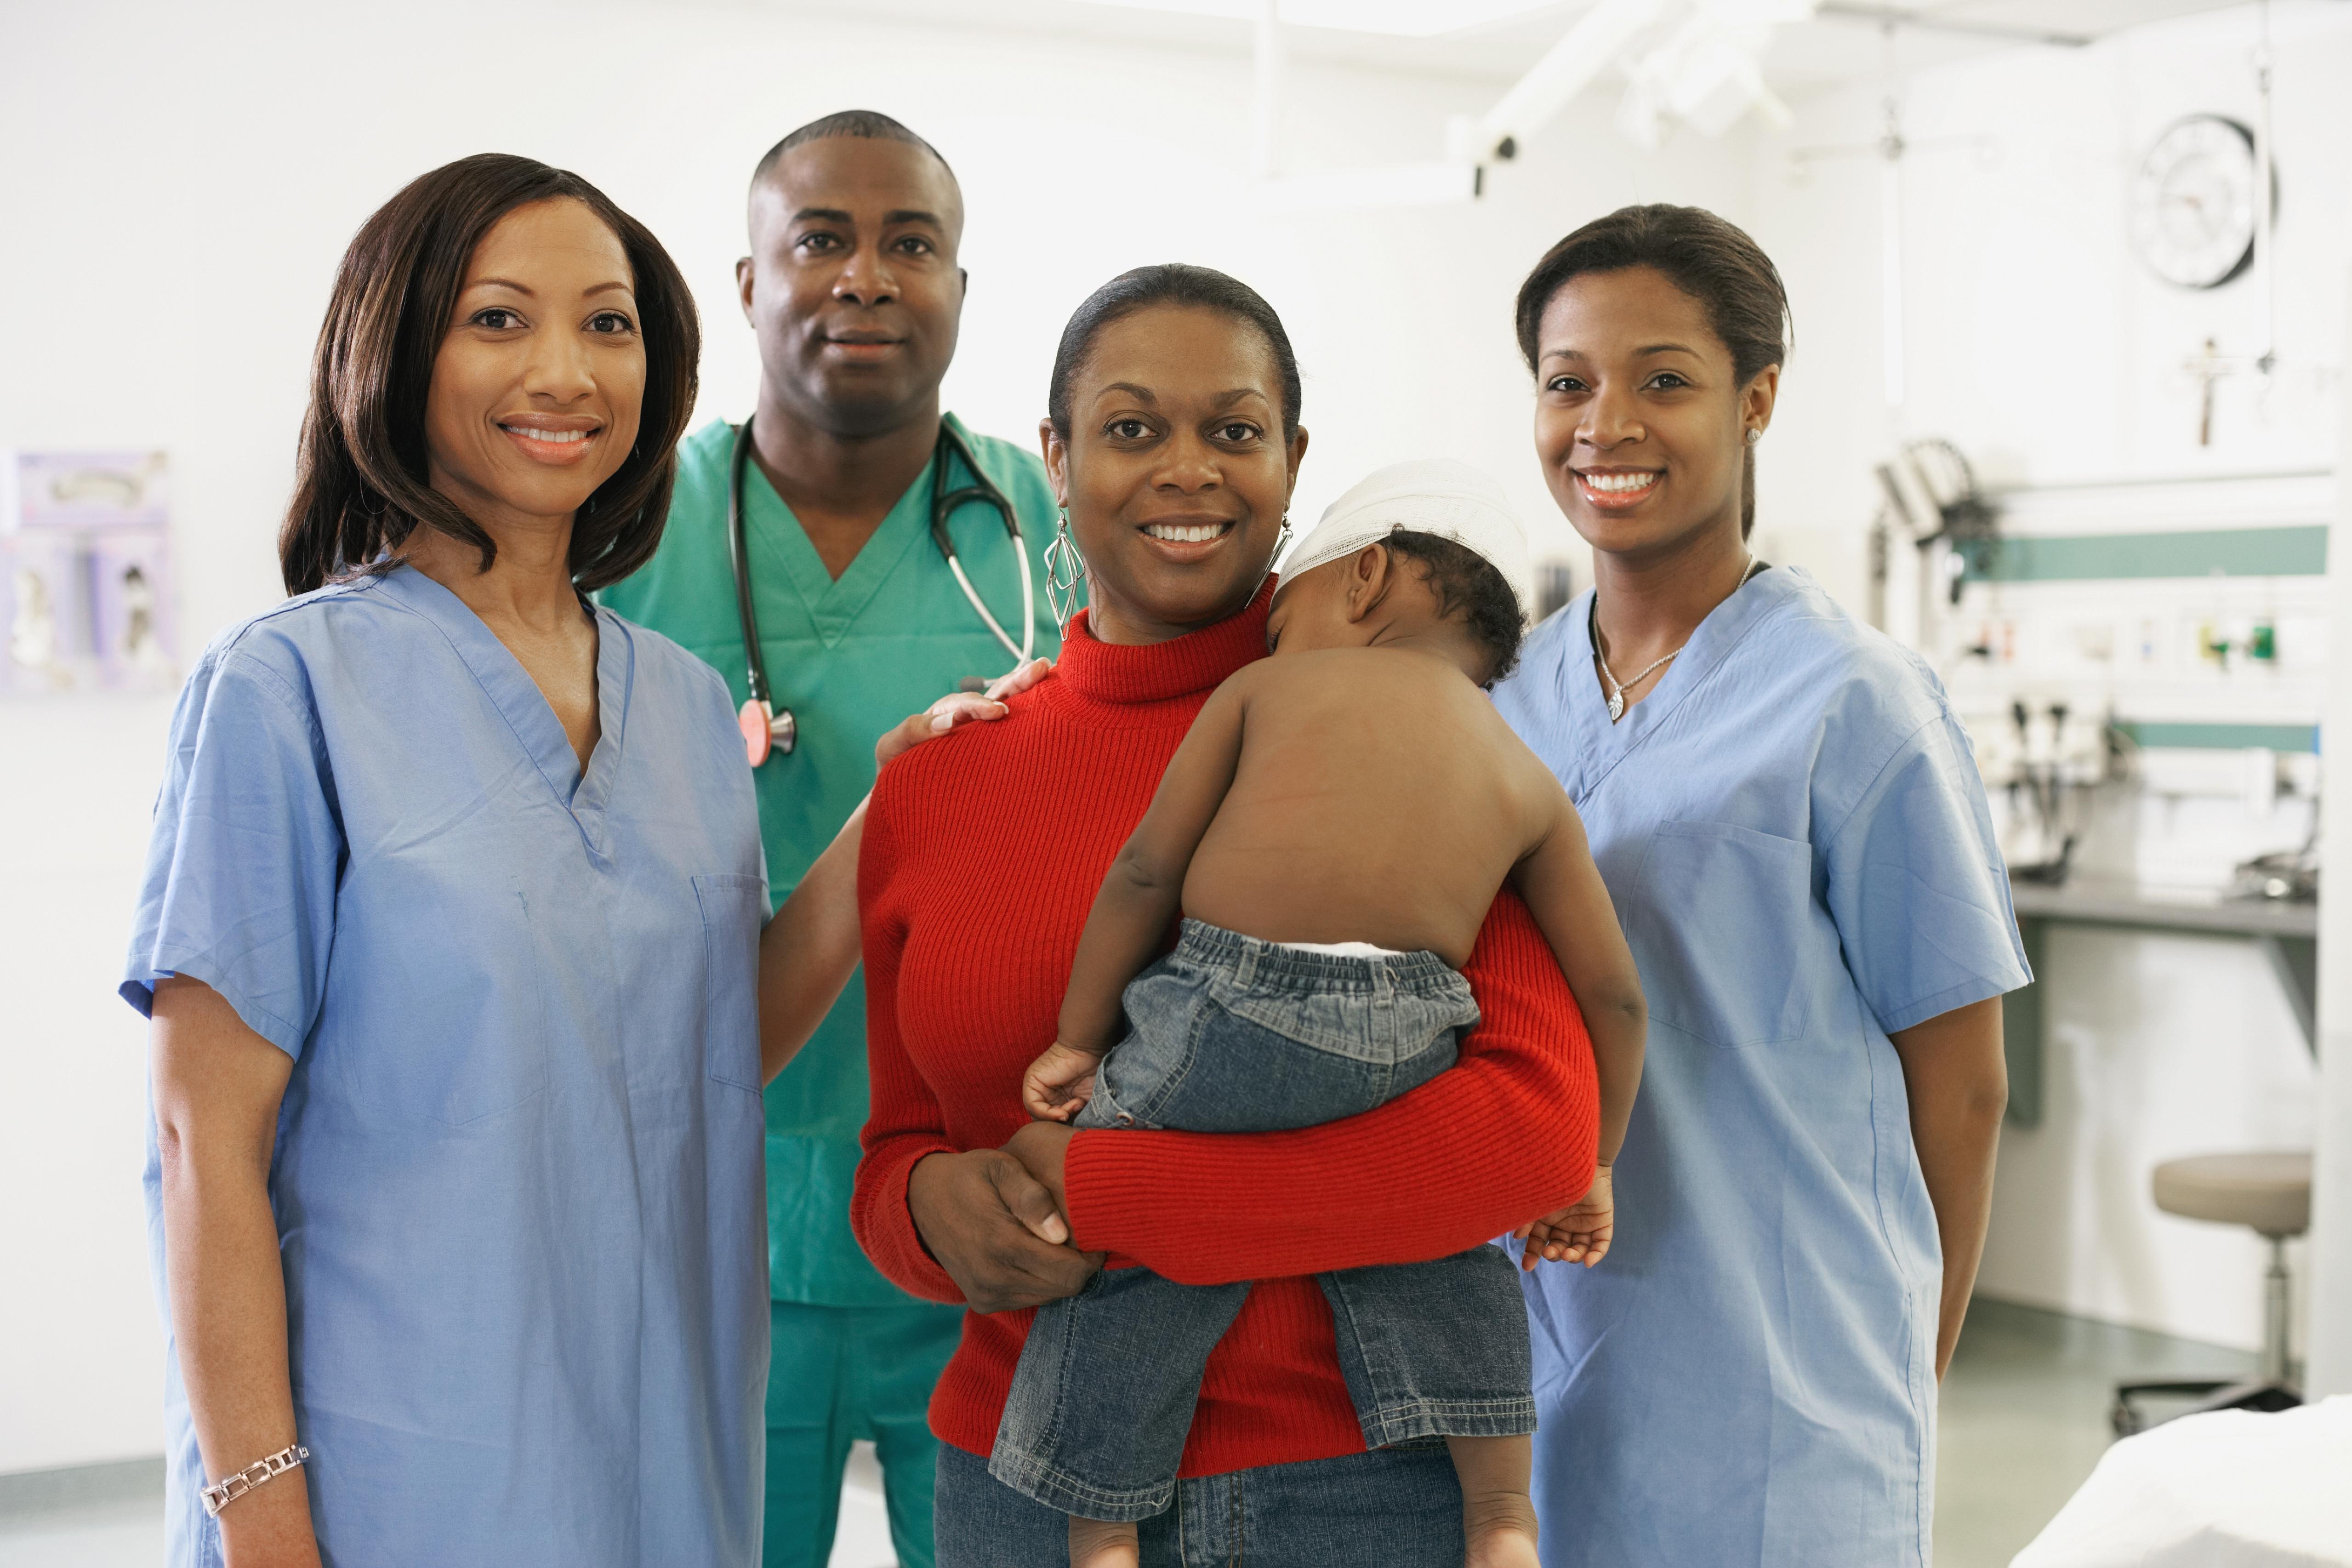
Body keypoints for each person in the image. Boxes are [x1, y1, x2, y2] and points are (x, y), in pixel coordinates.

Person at [121, 153, 905, 1568]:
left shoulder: (673, 701)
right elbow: (201, 1143)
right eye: (499, 319)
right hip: (393, 1472)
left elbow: (713, 1041)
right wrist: (264, 1520)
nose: (563, 368)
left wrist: (893, 807)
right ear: (396, 345)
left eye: (607, 323)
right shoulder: (287, 692)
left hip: (661, 1455)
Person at [851, 264, 1600, 1568]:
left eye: (1235, 430)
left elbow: (1533, 1135)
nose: (1185, 469)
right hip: (1016, 1483)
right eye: (1131, 427)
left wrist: (1112, 1186)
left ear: (1291, 461)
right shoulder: (938, 775)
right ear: (1056, 457)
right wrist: (927, 1211)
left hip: (1353, 1486)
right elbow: (893, 1145)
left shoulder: (1399, 741)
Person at [1489, 204, 2029, 1568]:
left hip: (1786, 1392)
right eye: (1567, 383)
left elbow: (1961, 1084)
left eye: (1661, 379)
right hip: (1533, 1378)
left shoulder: (1854, 701)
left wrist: (1905, 1358)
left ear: (1755, 400)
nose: (1603, 423)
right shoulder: (1501, 695)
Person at [1004, 459, 1650, 1568]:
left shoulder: (1263, 691)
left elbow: (1147, 873)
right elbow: (1614, 993)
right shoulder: (1521, 770)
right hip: (1406, 1032)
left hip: (1228, 1003)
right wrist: (1594, 1162)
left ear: (1364, 581)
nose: (1268, 640)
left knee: (1128, 1236)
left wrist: (1078, 1037)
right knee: (1443, 1240)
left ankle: (1103, 1521)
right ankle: (1500, 1513)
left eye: (1281, 617)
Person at [597, 110, 1061, 1568]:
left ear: (960, 293)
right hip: (714, 1216)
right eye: (819, 240)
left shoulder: (1042, 521)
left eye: (909, 243)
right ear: (746, 284)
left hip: (984, 1208)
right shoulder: (629, 525)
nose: (864, 276)